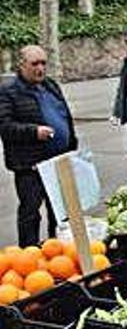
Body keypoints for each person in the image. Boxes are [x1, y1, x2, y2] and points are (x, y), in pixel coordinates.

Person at [0, 45, 77, 245]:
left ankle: (58, 247)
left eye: (43, 63)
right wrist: (34, 132)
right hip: (30, 165)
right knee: (30, 211)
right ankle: (29, 252)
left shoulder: (50, 85)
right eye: (35, 64)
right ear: (22, 65)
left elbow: (64, 115)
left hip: (58, 160)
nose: (40, 68)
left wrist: (71, 144)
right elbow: (5, 127)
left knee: (59, 211)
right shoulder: (8, 91)